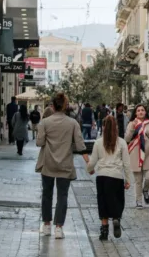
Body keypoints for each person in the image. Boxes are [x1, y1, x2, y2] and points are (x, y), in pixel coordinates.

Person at [36, 93, 88, 240]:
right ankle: (59, 227)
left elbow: (39, 142)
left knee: (47, 194)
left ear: (53, 106)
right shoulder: (73, 123)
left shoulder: (45, 123)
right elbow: (80, 145)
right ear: (65, 106)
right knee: (62, 195)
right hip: (65, 163)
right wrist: (88, 160)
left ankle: (46, 225)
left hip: (48, 163)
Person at [87, 115, 133, 241]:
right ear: (116, 127)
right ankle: (116, 218)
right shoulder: (122, 142)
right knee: (117, 200)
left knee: (103, 202)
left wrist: (90, 170)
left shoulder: (98, 142)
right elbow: (126, 163)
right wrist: (128, 180)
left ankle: (104, 231)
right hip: (116, 176)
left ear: (103, 127)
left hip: (102, 176)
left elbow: (92, 161)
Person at [125, 104, 149, 209]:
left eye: (142, 110)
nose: (140, 112)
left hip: (148, 155)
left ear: (145, 112)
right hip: (135, 154)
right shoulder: (131, 123)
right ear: (135, 113)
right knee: (138, 180)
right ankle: (139, 201)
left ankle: (145, 190)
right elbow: (127, 139)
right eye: (138, 110)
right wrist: (132, 127)